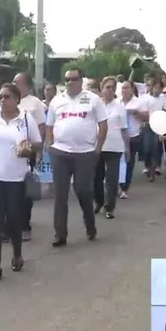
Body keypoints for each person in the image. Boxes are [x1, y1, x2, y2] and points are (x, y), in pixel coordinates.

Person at [0, 83, 42, 281]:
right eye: (1, 97)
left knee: (14, 218)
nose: (3, 100)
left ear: (17, 99)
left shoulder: (27, 119)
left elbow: (38, 144)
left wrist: (28, 147)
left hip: (17, 177)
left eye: (7, 97)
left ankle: (17, 253)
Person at [45, 67, 109, 247]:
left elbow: (103, 125)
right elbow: (49, 126)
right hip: (60, 153)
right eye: (67, 79)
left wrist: (98, 148)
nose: (70, 82)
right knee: (60, 195)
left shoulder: (93, 99)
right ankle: (60, 234)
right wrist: (50, 145)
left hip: (85, 154)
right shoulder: (57, 101)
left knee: (83, 191)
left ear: (81, 81)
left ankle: (90, 226)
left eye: (74, 79)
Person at [13, 72, 46, 240]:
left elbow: (41, 127)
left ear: (26, 85)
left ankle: (25, 225)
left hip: (27, 151)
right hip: (8, 153)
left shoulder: (35, 103)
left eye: (17, 82)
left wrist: (38, 150)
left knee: (25, 186)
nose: (14, 84)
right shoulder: (8, 101)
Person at [95, 76, 129, 218]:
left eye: (112, 88)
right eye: (107, 87)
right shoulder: (96, 105)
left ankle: (109, 208)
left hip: (115, 146)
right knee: (97, 178)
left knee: (112, 178)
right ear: (101, 89)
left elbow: (124, 129)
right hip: (97, 146)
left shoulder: (120, 107)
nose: (110, 90)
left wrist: (127, 148)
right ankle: (99, 201)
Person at [139, 79, 166, 180]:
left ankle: (152, 172)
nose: (157, 90)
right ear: (151, 88)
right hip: (148, 126)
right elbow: (143, 113)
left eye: (160, 88)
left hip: (159, 127)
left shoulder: (163, 99)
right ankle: (147, 166)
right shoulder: (145, 99)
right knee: (147, 148)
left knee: (156, 148)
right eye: (156, 87)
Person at [119, 81, 146, 198]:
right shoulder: (117, 102)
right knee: (117, 163)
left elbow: (146, 117)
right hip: (118, 136)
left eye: (126, 88)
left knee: (128, 163)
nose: (124, 90)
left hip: (133, 136)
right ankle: (116, 185)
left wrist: (135, 112)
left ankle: (124, 188)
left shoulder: (138, 102)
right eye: (122, 88)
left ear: (132, 89)